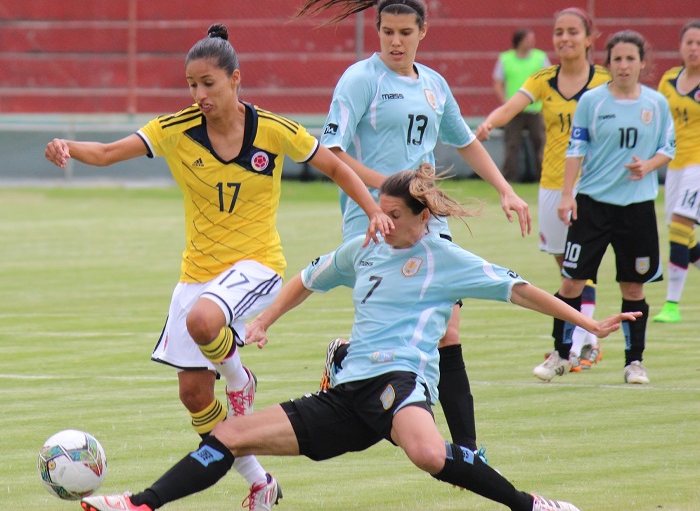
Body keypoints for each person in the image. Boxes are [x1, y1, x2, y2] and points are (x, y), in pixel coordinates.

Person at [79, 165, 642, 511]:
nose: (383, 221)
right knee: (229, 434)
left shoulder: (444, 258)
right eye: (380, 212)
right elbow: (305, 278)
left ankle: (528, 504)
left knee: (426, 453)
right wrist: (264, 321)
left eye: (393, 213)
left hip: (400, 380)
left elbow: (518, 290)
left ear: (423, 217)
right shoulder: (366, 248)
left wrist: (586, 322)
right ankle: (140, 503)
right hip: (346, 392)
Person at [45, 23, 393, 510]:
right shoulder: (176, 129)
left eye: (208, 83)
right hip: (198, 274)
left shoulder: (273, 129)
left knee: (204, 321)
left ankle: (239, 378)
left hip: (257, 264)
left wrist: (375, 208)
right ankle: (259, 481)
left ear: (235, 79)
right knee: (192, 394)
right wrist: (69, 146)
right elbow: (106, 153)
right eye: (191, 84)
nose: (199, 94)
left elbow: (335, 166)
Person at [293, 0, 531, 453]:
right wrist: (391, 188)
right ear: (376, 31)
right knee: (397, 325)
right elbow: (332, 152)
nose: (395, 42)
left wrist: (506, 189)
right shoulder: (359, 79)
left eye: (405, 33)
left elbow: (464, 142)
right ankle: (353, 358)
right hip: (374, 216)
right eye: (386, 32)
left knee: (448, 327)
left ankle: (465, 446)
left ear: (423, 32)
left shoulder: (434, 85)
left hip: (427, 218)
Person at [477, 8, 609, 378]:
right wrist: (489, 123)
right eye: (558, 32)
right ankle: (589, 336)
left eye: (572, 32)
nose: (564, 38)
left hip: (592, 184)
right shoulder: (543, 79)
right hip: (552, 184)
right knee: (565, 263)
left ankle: (580, 337)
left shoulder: (604, 81)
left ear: (589, 37)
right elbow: (511, 107)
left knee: (577, 266)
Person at [552, 30, 675, 385]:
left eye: (630, 59)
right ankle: (561, 355)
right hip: (592, 205)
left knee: (633, 288)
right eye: (617, 59)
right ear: (608, 64)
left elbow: (668, 147)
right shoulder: (592, 102)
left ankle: (633, 363)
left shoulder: (656, 103)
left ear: (642, 64)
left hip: (636, 209)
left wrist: (648, 166)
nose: (623, 66)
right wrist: (566, 194)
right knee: (571, 280)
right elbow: (575, 149)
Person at [653, 20, 700, 323]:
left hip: (698, 164)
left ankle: (672, 304)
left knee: (680, 225)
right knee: (682, 233)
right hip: (674, 164)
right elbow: (657, 119)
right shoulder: (669, 80)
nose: (694, 49)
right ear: (680, 47)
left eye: (698, 43)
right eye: (689, 43)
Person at [492, 28, 550, 182]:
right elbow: (498, 82)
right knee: (511, 145)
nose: (532, 41)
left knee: (540, 144)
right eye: (528, 38)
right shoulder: (506, 58)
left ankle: (544, 177)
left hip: (535, 109)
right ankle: (509, 178)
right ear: (519, 40)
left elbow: (549, 80)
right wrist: (505, 101)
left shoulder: (540, 57)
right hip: (513, 110)